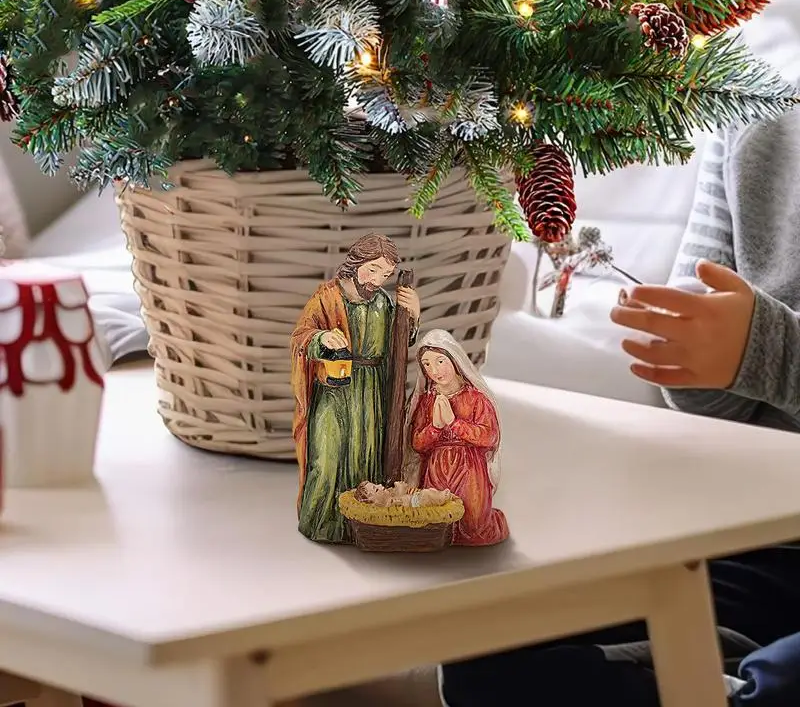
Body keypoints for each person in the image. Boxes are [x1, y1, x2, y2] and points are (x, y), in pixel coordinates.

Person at [439, 106, 800, 704]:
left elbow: (768, 353)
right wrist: (691, 350)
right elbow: (716, 408)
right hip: (764, 549)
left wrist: (774, 352)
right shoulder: (754, 120)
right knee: (487, 652)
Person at [290, 233, 420, 544]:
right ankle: (323, 524)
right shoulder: (327, 296)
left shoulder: (383, 303)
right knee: (328, 458)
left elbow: (399, 342)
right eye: (372, 270)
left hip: (372, 391)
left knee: (366, 457)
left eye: (385, 274)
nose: (377, 280)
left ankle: (359, 526)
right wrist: (321, 338)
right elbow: (300, 336)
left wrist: (413, 315)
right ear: (356, 262)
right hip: (335, 390)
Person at [403, 329, 508, 547]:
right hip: (437, 469)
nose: (434, 370)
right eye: (427, 364)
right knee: (436, 521)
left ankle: (489, 521)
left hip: (468, 470)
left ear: (454, 359)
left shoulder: (476, 399)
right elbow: (417, 443)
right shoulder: (427, 401)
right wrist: (435, 427)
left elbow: (489, 436)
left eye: (440, 361)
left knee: (473, 529)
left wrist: (455, 423)